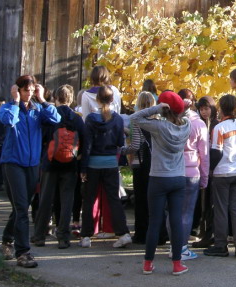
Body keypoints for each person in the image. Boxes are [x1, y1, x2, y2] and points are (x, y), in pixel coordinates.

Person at [0, 75, 60, 268]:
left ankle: (7, 240)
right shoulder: (8, 108)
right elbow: (9, 120)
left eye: (32, 90)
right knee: (21, 208)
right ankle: (23, 252)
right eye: (26, 90)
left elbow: (56, 119)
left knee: (22, 207)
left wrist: (42, 99)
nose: (29, 93)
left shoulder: (38, 109)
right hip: (13, 163)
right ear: (18, 90)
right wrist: (16, 102)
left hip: (33, 164)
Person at [130, 91, 190, 275]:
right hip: (178, 177)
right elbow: (183, 113)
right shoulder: (186, 126)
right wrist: (182, 107)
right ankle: (177, 263)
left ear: (164, 108)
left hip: (158, 177)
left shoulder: (158, 127)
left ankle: (148, 263)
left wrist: (155, 108)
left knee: (155, 221)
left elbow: (134, 118)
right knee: (176, 221)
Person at [32, 85, 85, 249]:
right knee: (67, 200)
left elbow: (41, 136)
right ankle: (63, 237)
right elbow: (84, 141)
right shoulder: (76, 118)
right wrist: (79, 161)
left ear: (55, 98)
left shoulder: (50, 115)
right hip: (70, 164)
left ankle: (40, 235)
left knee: (46, 199)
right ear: (71, 99)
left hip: (50, 163)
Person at [80, 85, 131, 249]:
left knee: (89, 199)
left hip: (93, 163)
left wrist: (83, 168)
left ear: (97, 99)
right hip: (110, 163)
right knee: (114, 199)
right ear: (112, 99)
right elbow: (120, 143)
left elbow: (87, 145)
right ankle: (123, 233)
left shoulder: (90, 119)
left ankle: (86, 235)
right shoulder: (118, 119)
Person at [204, 94, 236, 258]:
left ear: (221, 109)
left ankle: (221, 245)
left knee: (221, 210)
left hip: (222, 173)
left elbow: (216, 152)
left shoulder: (219, 128)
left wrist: (211, 169)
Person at [178, 89, 208, 261]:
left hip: (172, 170)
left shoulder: (170, 121)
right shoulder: (199, 124)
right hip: (191, 171)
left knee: (173, 211)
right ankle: (181, 248)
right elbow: (204, 154)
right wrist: (205, 177)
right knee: (187, 212)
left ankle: (174, 246)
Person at [127, 91, 156, 244]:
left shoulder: (136, 121)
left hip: (140, 162)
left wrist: (125, 153)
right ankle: (155, 231)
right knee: (153, 200)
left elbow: (135, 145)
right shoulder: (158, 121)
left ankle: (141, 233)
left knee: (140, 199)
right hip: (155, 164)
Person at [192, 96, 218, 248]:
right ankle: (204, 232)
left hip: (213, 170)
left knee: (210, 204)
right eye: (201, 109)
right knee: (204, 203)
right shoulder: (200, 124)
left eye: (206, 108)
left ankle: (210, 234)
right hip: (202, 168)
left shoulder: (215, 125)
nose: (204, 112)